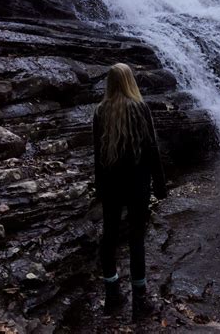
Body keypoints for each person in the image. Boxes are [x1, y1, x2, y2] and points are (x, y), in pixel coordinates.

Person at [92, 62, 167, 320]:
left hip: (111, 186)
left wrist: (99, 189)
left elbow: (97, 155)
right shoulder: (140, 108)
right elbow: (152, 149)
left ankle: (112, 294)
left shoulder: (100, 111)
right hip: (137, 185)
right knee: (136, 240)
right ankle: (140, 301)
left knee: (109, 238)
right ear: (129, 81)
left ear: (110, 83)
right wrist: (160, 184)